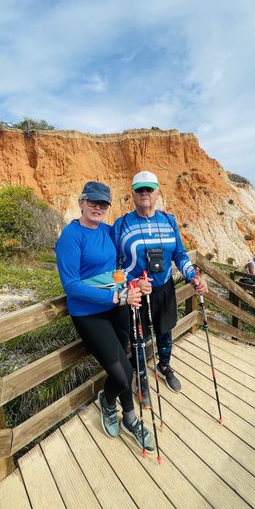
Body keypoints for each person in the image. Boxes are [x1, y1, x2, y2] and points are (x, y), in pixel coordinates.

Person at [56, 181, 155, 452]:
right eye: (93, 202)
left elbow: (117, 270)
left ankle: (130, 419)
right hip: (89, 313)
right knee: (121, 377)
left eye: (103, 204)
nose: (98, 208)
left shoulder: (108, 232)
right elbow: (72, 286)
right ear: (81, 202)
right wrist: (116, 297)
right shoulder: (70, 237)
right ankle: (108, 401)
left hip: (116, 307)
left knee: (128, 366)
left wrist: (136, 283)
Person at [112, 171, 208, 403]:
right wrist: (131, 284)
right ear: (132, 194)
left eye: (149, 189)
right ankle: (141, 376)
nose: (145, 193)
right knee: (138, 340)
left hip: (164, 289)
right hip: (136, 294)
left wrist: (192, 276)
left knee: (165, 333)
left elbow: (179, 254)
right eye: (140, 190)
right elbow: (113, 268)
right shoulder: (121, 224)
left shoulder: (168, 220)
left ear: (157, 193)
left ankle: (164, 367)